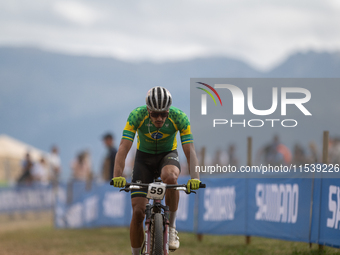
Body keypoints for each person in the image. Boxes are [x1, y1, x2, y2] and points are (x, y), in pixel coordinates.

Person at [111, 86, 200, 255]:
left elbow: (190, 150)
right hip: (143, 160)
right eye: (155, 114)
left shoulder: (179, 117)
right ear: (148, 110)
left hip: (167, 156)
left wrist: (195, 178)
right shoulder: (137, 116)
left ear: (168, 111)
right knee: (138, 212)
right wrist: (117, 176)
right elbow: (123, 148)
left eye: (163, 114)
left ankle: (172, 227)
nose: (159, 118)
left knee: (171, 178)